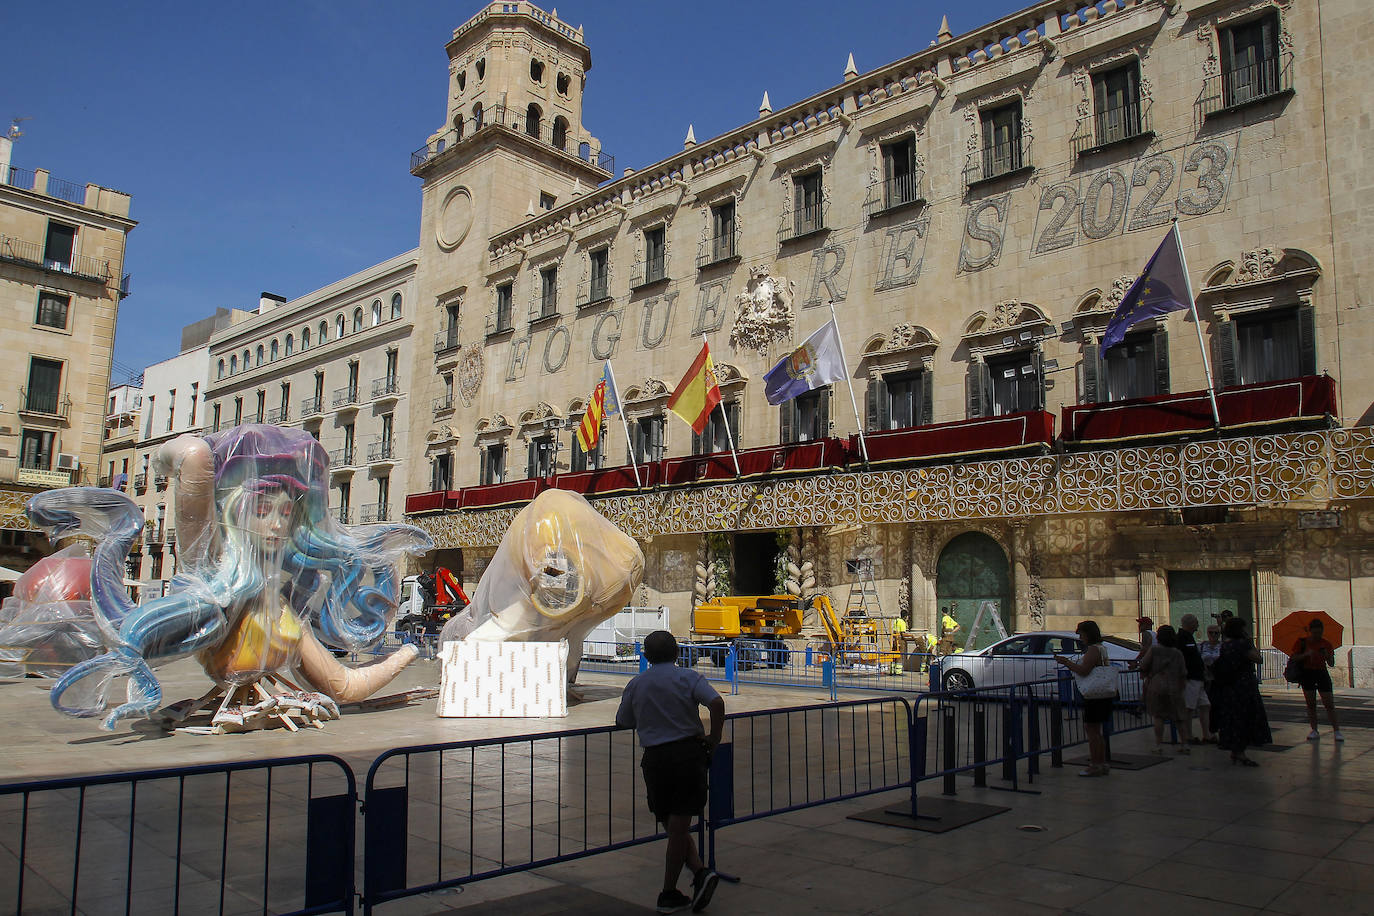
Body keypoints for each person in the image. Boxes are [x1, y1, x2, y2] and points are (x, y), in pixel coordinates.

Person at [616, 630, 725, 914]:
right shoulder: (688, 678)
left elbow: (623, 720)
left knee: (671, 823)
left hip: (656, 759)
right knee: (677, 825)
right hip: (687, 757)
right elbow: (716, 702)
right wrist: (714, 737)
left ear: (646, 656)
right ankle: (681, 884)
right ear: (677, 653)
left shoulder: (636, 684)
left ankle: (690, 880)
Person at [1054, 620, 1115, 777]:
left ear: (1088, 634)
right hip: (1103, 694)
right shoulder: (1101, 648)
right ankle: (1101, 763)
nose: (1080, 638)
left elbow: (1084, 670)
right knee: (1096, 730)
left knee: (1091, 729)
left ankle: (1095, 764)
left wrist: (1066, 662)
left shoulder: (1093, 650)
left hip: (1095, 696)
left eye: (1081, 634)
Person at [1211, 618, 1272, 766]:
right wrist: (1251, 643)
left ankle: (1235, 750)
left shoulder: (1225, 645)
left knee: (1233, 718)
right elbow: (1258, 659)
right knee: (1245, 718)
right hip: (1244, 686)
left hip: (1229, 686)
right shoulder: (1243, 645)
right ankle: (1240, 752)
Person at [1141, 624, 1191, 753]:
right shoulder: (1177, 653)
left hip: (1157, 686)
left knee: (1159, 717)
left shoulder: (1154, 650)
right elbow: (1183, 672)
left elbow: (1144, 664)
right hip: (1174, 686)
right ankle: (1184, 744)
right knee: (1179, 718)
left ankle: (1158, 745)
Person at [1291, 619, 1343, 741]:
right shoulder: (1302, 643)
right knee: (1311, 703)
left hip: (1321, 673)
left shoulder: (1327, 644)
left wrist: (1327, 655)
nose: (1317, 636)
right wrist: (1306, 655)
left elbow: (1331, 664)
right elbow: (1294, 657)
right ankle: (1314, 729)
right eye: (1315, 633)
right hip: (1307, 673)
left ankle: (1337, 731)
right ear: (1310, 631)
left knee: (1329, 703)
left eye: (1319, 633)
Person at [1177, 614, 1215, 743]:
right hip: (1190, 678)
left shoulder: (1189, 638)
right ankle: (1188, 736)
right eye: (1196, 623)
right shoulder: (1182, 638)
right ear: (1190, 624)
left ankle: (1207, 734)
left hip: (1198, 678)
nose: (1198, 625)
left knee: (1205, 705)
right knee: (1189, 708)